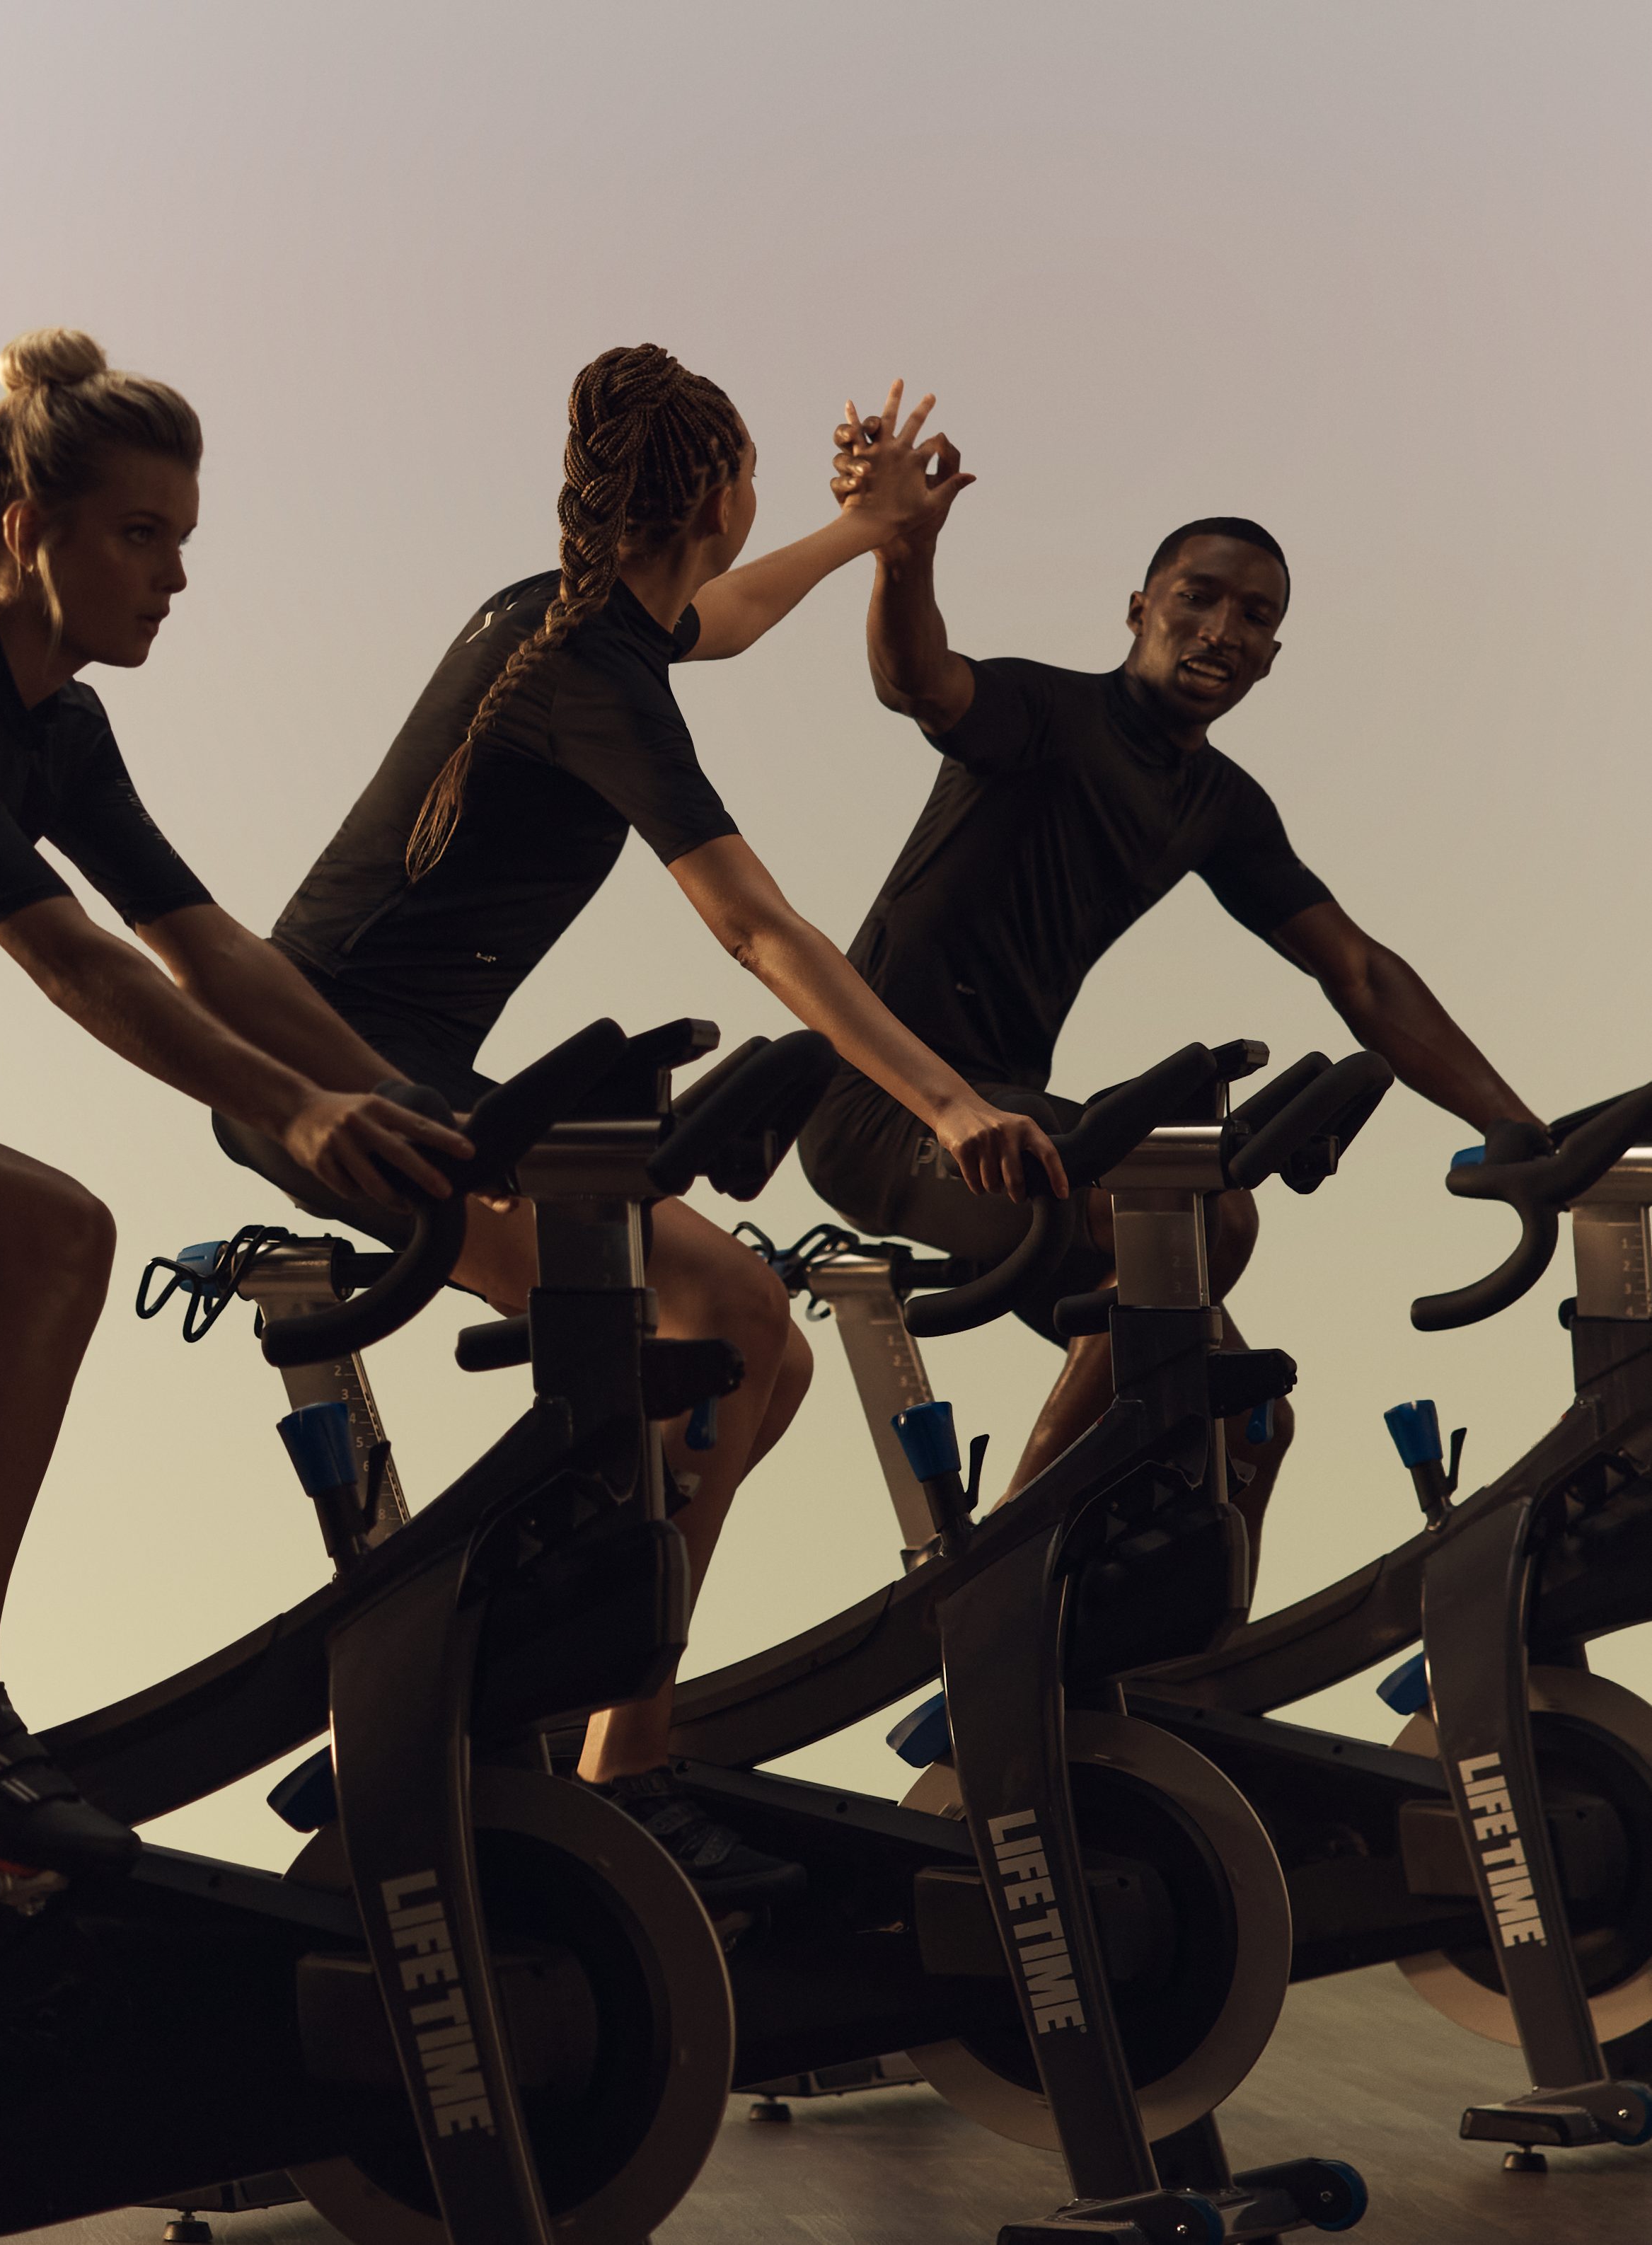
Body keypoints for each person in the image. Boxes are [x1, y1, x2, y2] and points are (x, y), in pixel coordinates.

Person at [270, 345, 1064, 1906]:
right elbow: (759, 927)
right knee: (718, 1306)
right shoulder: (587, 674)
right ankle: (531, 1726)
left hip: (401, 1064)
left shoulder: (574, 621)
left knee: (750, 1341)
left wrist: (876, 537)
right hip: (338, 1082)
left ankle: (567, 1719)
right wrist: (951, 1099)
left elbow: (736, 614)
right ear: (714, 491)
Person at [0, 330, 470, 1875]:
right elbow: (65, 955)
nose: (175, 578)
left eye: (182, 541)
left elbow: (207, 950)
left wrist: (401, 1108)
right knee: (52, 1234)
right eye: (143, 535)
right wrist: (294, 1111)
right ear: (25, 533)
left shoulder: (56, 727)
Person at [799, 405, 1541, 1573]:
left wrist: (1512, 1126)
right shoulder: (1045, 713)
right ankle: (1001, 1572)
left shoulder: (1219, 806)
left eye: (1255, 616)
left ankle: (1164, 1684)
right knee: (1202, 1213)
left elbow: (1354, 968)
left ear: (1272, 655)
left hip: (1016, 1122)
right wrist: (904, 546)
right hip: (889, 1110)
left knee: (1247, 1421)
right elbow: (917, 680)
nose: (1220, 628)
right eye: (1196, 596)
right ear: (1138, 607)